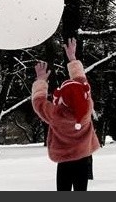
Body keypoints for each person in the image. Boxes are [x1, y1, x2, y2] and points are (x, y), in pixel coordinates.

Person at [31, 38, 101, 191]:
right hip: (83, 157)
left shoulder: (56, 114)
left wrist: (41, 80)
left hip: (64, 161)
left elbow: (39, 103)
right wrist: (72, 58)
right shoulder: (87, 106)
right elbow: (81, 81)